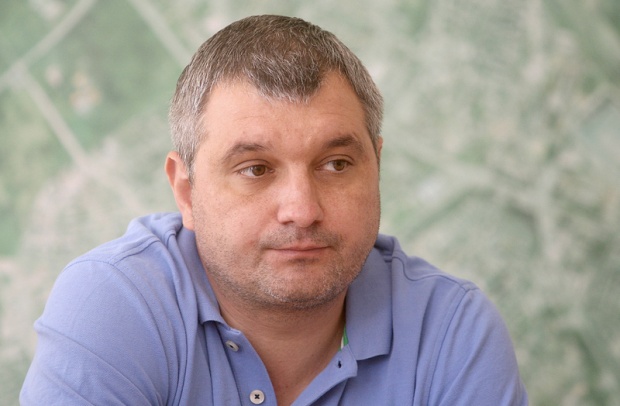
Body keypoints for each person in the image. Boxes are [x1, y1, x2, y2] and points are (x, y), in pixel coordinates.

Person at [20, 15, 527, 405]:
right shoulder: (115, 305)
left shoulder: (452, 331)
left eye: (335, 164)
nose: (302, 211)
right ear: (186, 192)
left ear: (376, 167)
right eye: (255, 169)